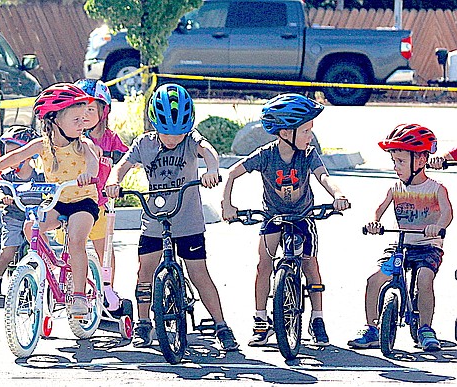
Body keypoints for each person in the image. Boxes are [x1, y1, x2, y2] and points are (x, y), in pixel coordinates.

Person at [105, 83, 239, 352]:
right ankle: (143, 323)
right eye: (167, 132)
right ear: (155, 124)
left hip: (187, 219)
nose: (173, 138)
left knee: (199, 272)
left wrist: (212, 168)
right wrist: (113, 180)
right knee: (145, 272)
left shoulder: (191, 140)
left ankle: (222, 325)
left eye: (179, 133)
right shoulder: (144, 144)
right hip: (154, 219)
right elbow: (123, 166)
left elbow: (208, 150)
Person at [221, 93, 349, 347]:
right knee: (263, 265)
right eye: (305, 131)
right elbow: (233, 173)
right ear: (285, 133)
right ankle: (260, 321)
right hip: (273, 216)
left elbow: (323, 177)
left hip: (302, 216)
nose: (309, 136)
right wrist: (227, 204)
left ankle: (317, 319)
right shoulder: (265, 155)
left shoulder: (308, 154)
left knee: (310, 265)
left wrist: (338, 194)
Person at [0, 83, 99, 317]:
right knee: (30, 227)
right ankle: (52, 264)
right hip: (58, 200)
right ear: (54, 120)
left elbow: (93, 161)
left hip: (83, 201)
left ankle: (79, 295)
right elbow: (15, 156)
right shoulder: (42, 145)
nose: (82, 124)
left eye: (83, 119)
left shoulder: (82, 144)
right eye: (76, 119)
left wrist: (89, 175)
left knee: (76, 240)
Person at [348, 124, 452, 352]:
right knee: (374, 280)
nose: (396, 167)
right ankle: (371, 328)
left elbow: (447, 212)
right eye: (394, 161)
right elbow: (378, 209)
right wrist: (373, 222)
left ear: (422, 160)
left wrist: (437, 227)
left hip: (427, 247)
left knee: (424, 279)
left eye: (401, 162)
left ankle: (426, 328)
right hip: (401, 246)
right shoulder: (395, 188)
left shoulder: (436, 189)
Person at [76, 78, 129, 289]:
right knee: (72, 249)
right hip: (74, 202)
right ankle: (75, 288)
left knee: (105, 251)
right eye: (79, 109)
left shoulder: (110, 139)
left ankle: (107, 289)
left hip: (99, 203)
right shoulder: (72, 137)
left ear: (103, 112)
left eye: (90, 109)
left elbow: (129, 157)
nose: (85, 115)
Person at [0, 125, 44, 295]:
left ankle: (41, 280)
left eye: (14, 155)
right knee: (8, 251)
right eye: (7, 155)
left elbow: (52, 189)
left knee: (41, 250)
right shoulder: (7, 176)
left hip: (35, 218)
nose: (10, 160)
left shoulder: (40, 176)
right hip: (13, 217)